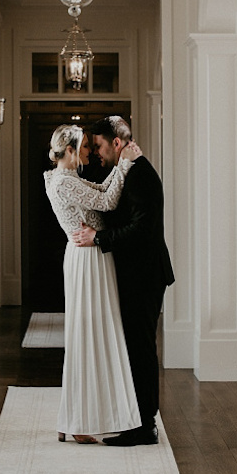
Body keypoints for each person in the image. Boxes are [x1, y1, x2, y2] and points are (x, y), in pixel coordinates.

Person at [73, 116, 174, 447]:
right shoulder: (127, 170)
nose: (97, 152)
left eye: (99, 145)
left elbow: (142, 229)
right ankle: (135, 418)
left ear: (117, 143)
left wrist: (99, 238)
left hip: (145, 275)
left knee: (141, 348)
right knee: (133, 347)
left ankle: (145, 426)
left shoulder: (141, 174)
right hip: (135, 274)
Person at [44, 124, 143, 444]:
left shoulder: (68, 178)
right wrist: (126, 164)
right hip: (87, 260)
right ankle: (75, 421)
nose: (89, 151)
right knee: (87, 335)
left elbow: (101, 190)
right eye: (84, 146)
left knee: (89, 334)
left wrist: (123, 163)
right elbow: (109, 203)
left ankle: (71, 418)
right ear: (70, 150)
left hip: (92, 256)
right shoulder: (63, 182)